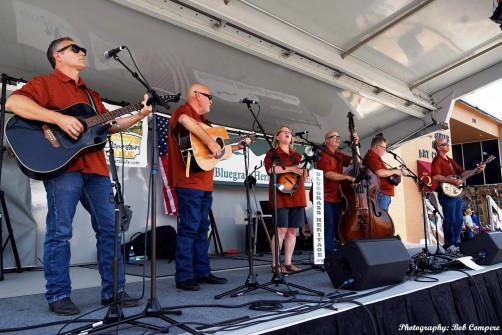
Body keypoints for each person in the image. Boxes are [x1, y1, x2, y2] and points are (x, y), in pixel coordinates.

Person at [5, 37, 152, 315]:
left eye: (82, 49)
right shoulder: (44, 83)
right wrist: (59, 119)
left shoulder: (91, 95)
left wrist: (140, 114)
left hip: (96, 169)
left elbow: (110, 127)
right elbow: (14, 103)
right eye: (75, 48)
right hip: (64, 169)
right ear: (57, 56)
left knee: (110, 230)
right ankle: (58, 293)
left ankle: (114, 292)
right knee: (60, 232)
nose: (82, 51)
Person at [167, 84, 250, 291]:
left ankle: (202, 271)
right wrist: (211, 143)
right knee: (188, 228)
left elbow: (210, 151)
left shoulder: (206, 123)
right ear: (197, 95)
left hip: (204, 184)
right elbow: (186, 123)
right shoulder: (183, 111)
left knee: (202, 228)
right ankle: (184, 275)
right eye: (209, 96)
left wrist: (237, 145)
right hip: (188, 183)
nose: (211, 101)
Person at [264, 126, 308, 273]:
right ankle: (275, 264)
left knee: (292, 230)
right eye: (284, 131)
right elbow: (271, 170)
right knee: (281, 229)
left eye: (289, 132)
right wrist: (292, 169)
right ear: (277, 137)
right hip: (281, 195)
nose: (288, 133)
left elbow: (303, 174)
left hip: (298, 195)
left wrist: (303, 172)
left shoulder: (297, 156)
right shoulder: (272, 153)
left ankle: (288, 263)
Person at [431, 138, 485, 253]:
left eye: (447, 142)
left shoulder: (450, 161)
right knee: (450, 219)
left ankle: (455, 244)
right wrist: (452, 181)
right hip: (446, 194)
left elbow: (462, 172)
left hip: (456, 193)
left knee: (459, 220)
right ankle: (449, 244)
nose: (448, 144)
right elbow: (435, 176)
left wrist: (477, 170)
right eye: (445, 144)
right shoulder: (437, 160)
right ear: (438, 147)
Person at [315, 131, 358, 255]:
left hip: (336, 197)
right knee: (328, 225)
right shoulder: (322, 155)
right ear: (327, 140)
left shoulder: (339, 155)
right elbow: (328, 174)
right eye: (334, 137)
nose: (338, 139)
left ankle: (333, 252)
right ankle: (327, 256)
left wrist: (355, 144)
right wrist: (347, 178)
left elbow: (355, 161)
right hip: (323, 196)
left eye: (339, 137)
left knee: (335, 225)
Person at [363, 135, 402, 211]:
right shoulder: (372, 157)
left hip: (382, 194)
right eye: (383, 148)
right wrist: (394, 171)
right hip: (380, 194)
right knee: (382, 221)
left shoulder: (375, 157)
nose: (384, 150)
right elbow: (379, 173)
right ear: (377, 147)